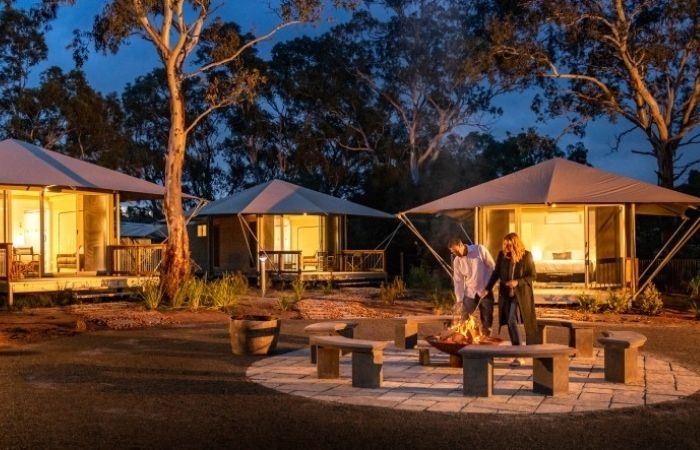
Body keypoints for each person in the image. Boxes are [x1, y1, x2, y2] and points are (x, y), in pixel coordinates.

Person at [482, 232, 538, 367]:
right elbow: (496, 273)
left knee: (512, 319)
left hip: (521, 294)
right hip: (506, 293)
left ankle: (519, 355)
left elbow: (533, 276)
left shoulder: (526, 256)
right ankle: (516, 351)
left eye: (509, 244)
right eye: (505, 244)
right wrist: (487, 288)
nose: (506, 247)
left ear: (515, 244)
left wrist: (518, 282)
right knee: (509, 321)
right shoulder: (502, 255)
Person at [448, 238, 495, 336]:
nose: (456, 254)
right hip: (470, 292)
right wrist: (459, 300)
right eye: (453, 252)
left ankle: (486, 343)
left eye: (456, 251)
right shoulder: (457, 261)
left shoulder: (479, 250)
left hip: (485, 290)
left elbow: (492, 266)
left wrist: (489, 286)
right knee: (464, 318)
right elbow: (458, 281)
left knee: (487, 321)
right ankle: (465, 341)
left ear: (461, 244)